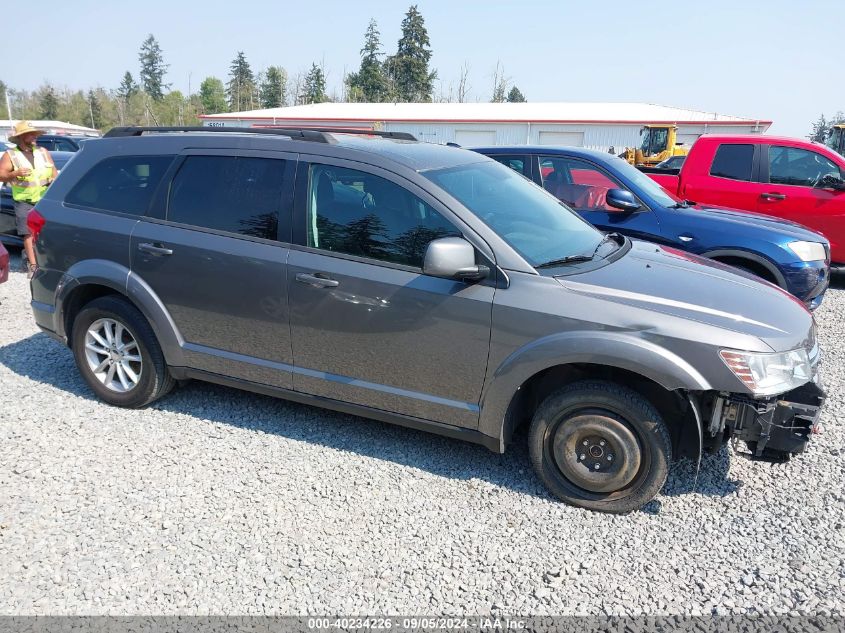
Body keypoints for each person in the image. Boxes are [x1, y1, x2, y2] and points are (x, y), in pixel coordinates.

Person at [0, 121, 58, 277]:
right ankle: (33, 266)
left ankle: (49, 262)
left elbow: (53, 172)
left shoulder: (43, 151)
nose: (35, 137)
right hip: (24, 200)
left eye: (36, 134)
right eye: (31, 134)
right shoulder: (10, 155)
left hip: (44, 199)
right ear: (21, 136)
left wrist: (54, 179)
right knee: (28, 233)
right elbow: (1, 175)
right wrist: (14, 174)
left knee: (47, 232)